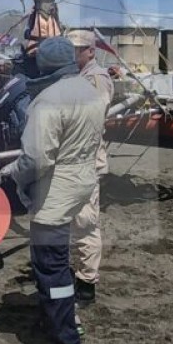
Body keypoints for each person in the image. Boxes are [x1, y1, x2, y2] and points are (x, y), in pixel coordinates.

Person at [1, 36, 105, 344]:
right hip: (84, 182)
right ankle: (63, 315)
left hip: (56, 194)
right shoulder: (90, 91)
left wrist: (12, 173)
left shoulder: (46, 101)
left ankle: (67, 340)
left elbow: (36, 160)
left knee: (51, 266)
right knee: (62, 257)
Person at [65, 29, 114, 305]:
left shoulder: (96, 79)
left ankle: (86, 284)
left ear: (90, 51)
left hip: (84, 160)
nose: (73, 55)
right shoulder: (79, 78)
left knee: (85, 223)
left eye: (77, 50)